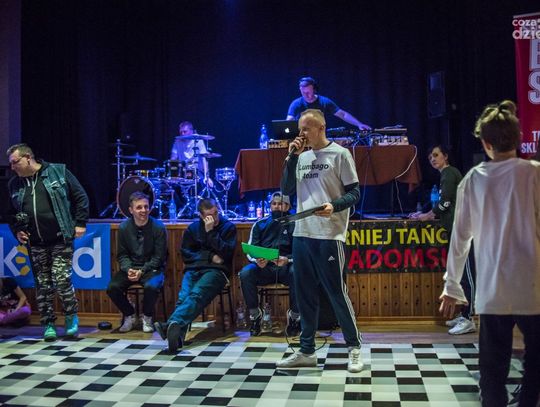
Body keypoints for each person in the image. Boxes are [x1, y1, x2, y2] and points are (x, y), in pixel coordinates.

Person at [439, 100, 540, 407]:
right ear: (518, 137)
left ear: (484, 142)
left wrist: (451, 287)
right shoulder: (534, 174)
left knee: (492, 373)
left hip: (493, 289)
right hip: (534, 287)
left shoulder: (473, 179)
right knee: (536, 367)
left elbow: (460, 239)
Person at [278, 109, 363, 373]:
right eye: (300, 129)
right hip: (302, 233)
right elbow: (285, 190)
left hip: (329, 234)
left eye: (306, 129)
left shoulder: (340, 154)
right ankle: (306, 351)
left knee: (336, 292)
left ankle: (354, 348)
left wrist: (334, 206)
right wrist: (291, 157)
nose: (301, 134)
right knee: (304, 295)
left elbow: (355, 193)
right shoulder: (301, 157)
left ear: (321, 128)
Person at [6, 143, 89, 341]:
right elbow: (10, 213)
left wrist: (80, 222)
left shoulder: (57, 172)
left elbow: (81, 197)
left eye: (15, 162)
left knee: (61, 279)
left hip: (60, 238)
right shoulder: (14, 184)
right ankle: (48, 323)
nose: (12, 167)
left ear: (28, 158)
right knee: (43, 284)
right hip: (35, 242)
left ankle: (70, 318)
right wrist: (17, 230)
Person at [154, 198, 236, 352]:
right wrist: (210, 256)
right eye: (209, 216)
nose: (214, 218)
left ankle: (168, 326)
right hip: (194, 269)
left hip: (217, 272)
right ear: (201, 215)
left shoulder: (228, 227)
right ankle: (177, 339)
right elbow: (186, 254)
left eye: (216, 213)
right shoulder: (192, 229)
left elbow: (226, 254)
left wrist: (211, 232)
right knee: (183, 297)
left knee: (196, 294)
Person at [410, 145, 476, 335]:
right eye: (430, 157)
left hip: (464, 232)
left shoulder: (449, 172)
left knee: (467, 276)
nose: (432, 159)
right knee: (459, 276)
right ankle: (464, 314)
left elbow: (445, 202)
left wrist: (427, 215)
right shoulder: (446, 174)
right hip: (457, 232)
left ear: (445, 156)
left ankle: (469, 318)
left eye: (436, 155)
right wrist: (424, 213)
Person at [239, 191, 300, 337]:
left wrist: (287, 260)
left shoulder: (296, 224)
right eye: (274, 204)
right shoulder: (259, 224)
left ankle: (294, 318)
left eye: (281, 204)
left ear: (288, 206)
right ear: (270, 206)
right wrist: (257, 260)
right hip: (264, 268)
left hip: (285, 268)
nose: (277, 206)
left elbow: (301, 253)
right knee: (246, 273)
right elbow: (251, 250)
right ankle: (255, 316)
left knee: (298, 272)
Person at [106, 192, 167, 333]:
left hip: (152, 268)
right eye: (139, 207)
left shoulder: (158, 227)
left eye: (146, 206)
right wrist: (128, 269)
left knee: (152, 286)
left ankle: (147, 317)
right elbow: (122, 255)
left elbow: (159, 257)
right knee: (112, 288)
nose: (144, 210)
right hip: (131, 267)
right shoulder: (124, 228)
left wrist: (142, 270)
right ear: (131, 210)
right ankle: (130, 315)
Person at [286, 77, 371, 130]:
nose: (306, 95)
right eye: (303, 92)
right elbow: (289, 121)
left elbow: (343, 114)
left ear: (314, 89)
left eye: (308, 92)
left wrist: (359, 124)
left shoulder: (324, 101)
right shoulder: (296, 103)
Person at [170, 121, 213, 187]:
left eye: (185, 132)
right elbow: (173, 158)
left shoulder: (198, 140)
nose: (182, 134)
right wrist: (173, 175)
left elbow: (204, 158)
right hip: (183, 171)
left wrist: (206, 176)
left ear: (191, 131)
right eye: (181, 132)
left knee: (204, 184)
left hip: (197, 172)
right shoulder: (177, 141)